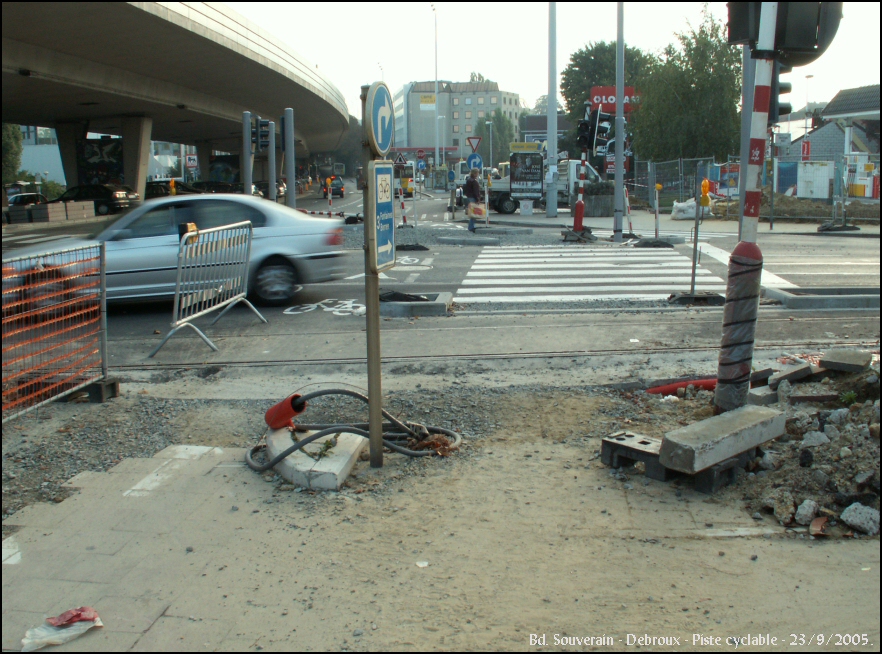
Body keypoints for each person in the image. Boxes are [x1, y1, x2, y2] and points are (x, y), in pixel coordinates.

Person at [464, 168, 482, 232]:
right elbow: (476, 192)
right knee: (474, 213)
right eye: (477, 173)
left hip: (469, 197)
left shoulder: (468, 180)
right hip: (473, 198)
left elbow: (465, 190)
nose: (477, 174)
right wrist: (478, 199)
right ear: (475, 173)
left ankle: (471, 226)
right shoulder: (474, 181)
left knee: (472, 213)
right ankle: (471, 227)